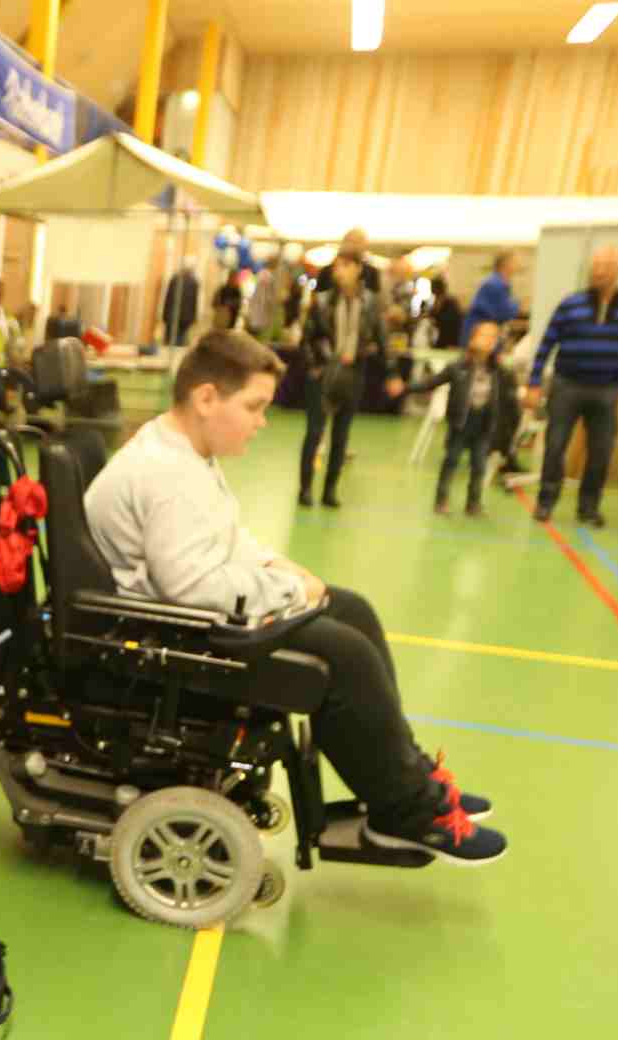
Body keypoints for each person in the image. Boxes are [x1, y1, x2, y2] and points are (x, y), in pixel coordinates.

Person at [84, 330, 506, 866]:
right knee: (345, 656)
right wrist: (289, 591)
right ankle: (404, 813)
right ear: (206, 398)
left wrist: (276, 566)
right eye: (254, 407)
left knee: (351, 610)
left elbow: (222, 539)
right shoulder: (166, 474)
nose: (263, 421)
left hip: (180, 614)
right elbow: (191, 587)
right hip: (165, 636)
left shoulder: (183, 450)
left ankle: (408, 775)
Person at [525, 244, 618, 526]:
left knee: (601, 451)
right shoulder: (571, 303)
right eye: (596, 266)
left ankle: (588, 507)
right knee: (555, 445)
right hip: (567, 385)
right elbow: (547, 343)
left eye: (606, 266)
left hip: (606, 390)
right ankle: (546, 502)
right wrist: (534, 381)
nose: (599, 271)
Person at [294, 253, 400, 508]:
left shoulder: (371, 303)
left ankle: (330, 490)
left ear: (358, 269)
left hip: (353, 374)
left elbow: (383, 340)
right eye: (336, 266)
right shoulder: (322, 301)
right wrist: (315, 366)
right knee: (314, 433)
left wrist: (392, 373)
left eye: (345, 266)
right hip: (324, 373)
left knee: (341, 436)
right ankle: (305, 489)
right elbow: (306, 340)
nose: (339, 271)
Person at [402, 319, 519, 517]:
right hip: (461, 423)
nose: (488, 340)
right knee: (451, 462)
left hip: (484, 425)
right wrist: (406, 387)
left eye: (492, 337)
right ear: (472, 340)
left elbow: (509, 399)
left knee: (478, 466)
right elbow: (432, 382)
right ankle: (441, 500)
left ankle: (473, 504)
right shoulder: (458, 366)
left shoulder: (500, 371)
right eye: (483, 335)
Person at [465, 250, 526, 342]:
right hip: (481, 335)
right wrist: (518, 304)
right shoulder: (495, 284)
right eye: (515, 262)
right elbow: (504, 313)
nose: (517, 265)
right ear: (506, 264)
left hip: (484, 333)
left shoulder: (498, 282)